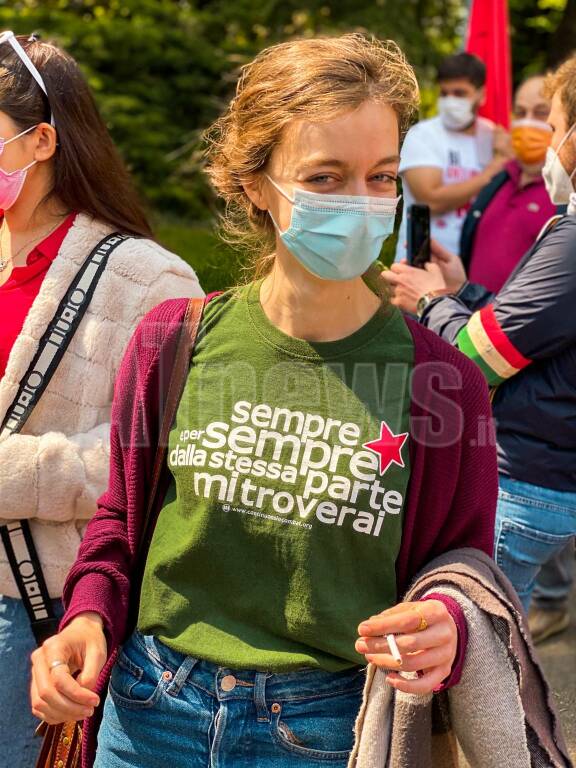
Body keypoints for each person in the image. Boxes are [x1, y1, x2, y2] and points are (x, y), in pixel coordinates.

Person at [30, 34, 498, 768]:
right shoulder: (172, 341)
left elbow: (464, 568)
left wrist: (448, 624)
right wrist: (86, 617)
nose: (362, 201)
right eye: (325, 175)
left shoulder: (443, 381)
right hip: (150, 710)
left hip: (329, 729)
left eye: (381, 176)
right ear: (255, 182)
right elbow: (119, 529)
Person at [0, 32, 203, 767]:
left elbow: (158, 460)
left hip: (36, 604)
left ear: (40, 140)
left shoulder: (149, 280)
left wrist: (12, 472)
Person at [382, 54, 576, 615]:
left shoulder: (571, 240)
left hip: (527, 480)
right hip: (547, 470)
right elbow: (535, 331)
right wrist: (464, 294)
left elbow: (478, 356)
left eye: (556, 125)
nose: (546, 138)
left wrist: (429, 301)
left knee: (480, 645)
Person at [395, 52, 510, 261]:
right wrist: (492, 172)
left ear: (481, 94)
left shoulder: (493, 137)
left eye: (459, 93)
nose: (450, 101)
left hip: (475, 266)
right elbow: (430, 201)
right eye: (444, 93)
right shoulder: (423, 135)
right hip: (423, 261)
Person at [460, 75, 556, 293]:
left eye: (540, 113)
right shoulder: (499, 179)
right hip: (469, 321)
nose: (528, 121)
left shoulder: (566, 194)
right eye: (521, 113)